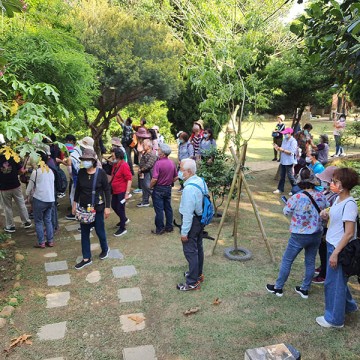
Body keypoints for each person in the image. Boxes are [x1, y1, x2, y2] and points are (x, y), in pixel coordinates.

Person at [266, 168, 328, 298]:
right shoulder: (322, 196)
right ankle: (304, 289)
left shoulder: (297, 197)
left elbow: (286, 211)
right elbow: (326, 210)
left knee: (287, 260)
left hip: (299, 235)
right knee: (310, 261)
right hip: (316, 234)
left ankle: (278, 288)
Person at [316, 168, 359, 328]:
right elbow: (336, 218)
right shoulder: (338, 199)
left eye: (335, 182)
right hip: (332, 244)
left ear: (344, 185)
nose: (331, 184)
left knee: (334, 283)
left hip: (339, 249)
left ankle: (334, 320)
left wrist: (335, 253)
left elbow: (348, 233)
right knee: (339, 280)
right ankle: (350, 306)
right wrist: (326, 214)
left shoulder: (349, 204)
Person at [72, 149, 111, 270]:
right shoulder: (81, 172)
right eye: (83, 160)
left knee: (99, 231)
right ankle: (86, 258)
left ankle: (105, 249)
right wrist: (74, 204)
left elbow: (107, 190)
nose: (85, 162)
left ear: (93, 161)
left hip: (97, 208)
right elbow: (77, 189)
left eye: (87, 160)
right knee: (84, 233)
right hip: (84, 209)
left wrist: (107, 207)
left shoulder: (101, 173)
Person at [177, 158, 208, 291]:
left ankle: (192, 282)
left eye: (181, 170)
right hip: (200, 220)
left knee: (190, 251)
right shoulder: (200, 180)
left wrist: (184, 233)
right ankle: (197, 274)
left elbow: (188, 214)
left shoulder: (189, 189)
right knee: (198, 248)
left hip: (193, 222)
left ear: (188, 172)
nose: (179, 172)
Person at [312, 166, 339, 284]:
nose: (323, 182)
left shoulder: (337, 196)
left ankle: (324, 274)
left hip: (328, 228)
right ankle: (322, 267)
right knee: (321, 249)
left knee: (324, 250)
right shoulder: (326, 191)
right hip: (322, 226)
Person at [0, 134, 32, 232]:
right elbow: (21, 170)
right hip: (15, 184)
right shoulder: (12, 154)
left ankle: (10, 226)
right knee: (21, 203)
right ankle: (26, 221)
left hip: (4, 187)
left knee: (7, 207)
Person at [26, 150, 55, 248]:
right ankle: (50, 241)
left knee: (38, 221)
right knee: (48, 220)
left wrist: (27, 196)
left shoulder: (36, 172)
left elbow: (29, 187)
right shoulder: (50, 171)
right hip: (50, 199)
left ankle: (41, 242)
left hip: (39, 199)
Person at [149, 143, 177, 235]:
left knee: (159, 210)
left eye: (159, 150)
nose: (158, 151)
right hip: (168, 188)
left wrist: (150, 186)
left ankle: (160, 228)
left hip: (159, 189)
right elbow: (176, 177)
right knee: (168, 207)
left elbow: (155, 179)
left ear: (163, 154)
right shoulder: (172, 163)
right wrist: (169, 181)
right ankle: (169, 226)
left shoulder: (158, 163)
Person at [111, 148, 132, 237]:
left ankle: (123, 228)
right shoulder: (116, 164)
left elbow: (129, 179)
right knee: (113, 205)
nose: (112, 157)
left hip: (122, 191)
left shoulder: (124, 165)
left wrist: (127, 193)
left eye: (113, 155)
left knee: (120, 208)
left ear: (118, 155)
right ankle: (124, 219)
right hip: (115, 190)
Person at [273, 127, 298, 195]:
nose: (284, 135)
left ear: (290, 133)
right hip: (283, 160)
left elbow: (291, 152)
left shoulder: (293, 141)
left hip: (289, 161)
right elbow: (282, 148)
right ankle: (280, 189)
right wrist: (277, 148)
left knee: (290, 176)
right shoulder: (284, 140)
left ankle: (295, 189)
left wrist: (282, 150)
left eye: (286, 134)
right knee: (282, 175)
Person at [137, 139, 157, 207]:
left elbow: (149, 165)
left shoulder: (152, 154)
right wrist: (140, 169)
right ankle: (145, 201)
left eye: (144, 145)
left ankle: (156, 200)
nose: (143, 146)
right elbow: (141, 162)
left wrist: (141, 170)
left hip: (149, 172)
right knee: (144, 187)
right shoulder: (145, 153)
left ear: (148, 146)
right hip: (144, 172)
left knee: (148, 186)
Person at [133, 127, 151, 194]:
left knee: (143, 175)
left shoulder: (145, 142)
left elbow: (142, 150)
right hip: (140, 159)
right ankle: (141, 187)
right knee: (140, 174)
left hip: (144, 160)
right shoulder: (140, 141)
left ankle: (142, 188)